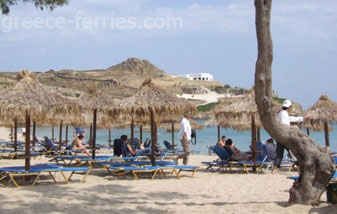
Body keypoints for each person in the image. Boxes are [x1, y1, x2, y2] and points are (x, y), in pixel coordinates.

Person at [272, 99, 308, 174]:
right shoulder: (284, 114)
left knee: (279, 153)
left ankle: (275, 169)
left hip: (279, 137)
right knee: (293, 152)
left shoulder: (281, 114)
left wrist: (303, 118)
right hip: (285, 137)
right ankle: (299, 170)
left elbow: (291, 119)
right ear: (289, 107)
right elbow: (285, 125)